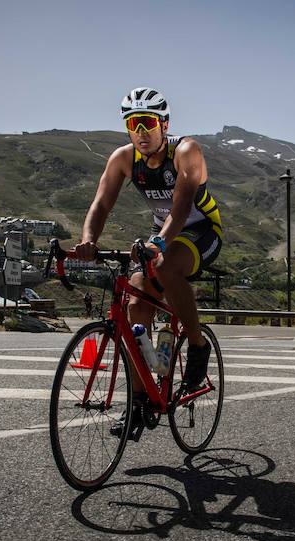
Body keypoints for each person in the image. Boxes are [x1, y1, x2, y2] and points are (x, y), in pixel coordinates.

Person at [74, 87, 223, 436]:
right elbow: (101, 204)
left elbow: (182, 205)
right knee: (136, 304)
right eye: (132, 123)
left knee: (168, 266)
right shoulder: (124, 159)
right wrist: (87, 240)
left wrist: (158, 242)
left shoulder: (186, 151)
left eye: (147, 122)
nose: (140, 131)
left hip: (201, 230)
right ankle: (139, 404)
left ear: (164, 123)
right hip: (162, 236)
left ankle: (198, 348)